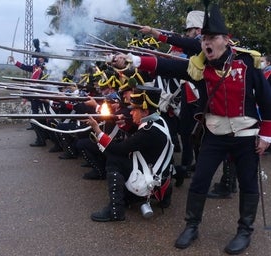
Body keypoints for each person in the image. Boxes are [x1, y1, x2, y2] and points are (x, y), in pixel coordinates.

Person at [110, 4, 271, 254]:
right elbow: (166, 66)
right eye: (204, 38)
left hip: (246, 135)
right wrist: (133, 60)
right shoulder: (199, 66)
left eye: (212, 38)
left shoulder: (248, 63)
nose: (206, 43)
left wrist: (266, 135)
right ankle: (192, 225)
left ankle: (245, 231)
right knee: (199, 181)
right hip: (215, 135)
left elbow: (266, 99)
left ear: (226, 41)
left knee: (249, 184)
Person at [85, 85, 174, 222]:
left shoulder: (148, 132)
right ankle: (164, 193)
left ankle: (116, 211)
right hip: (159, 176)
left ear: (144, 111)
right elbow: (138, 136)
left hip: (149, 180)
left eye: (134, 110)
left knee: (114, 159)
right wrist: (125, 121)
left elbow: (119, 148)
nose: (131, 113)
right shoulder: (158, 120)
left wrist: (98, 130)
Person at [140, 10, 205, 185]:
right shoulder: (196, 45)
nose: (188, 33)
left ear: (198, 30)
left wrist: (154, 32)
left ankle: (190, 167)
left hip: (199, 94)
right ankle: (192, 165)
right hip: (192, 92)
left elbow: (179, 41)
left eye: (190, 30)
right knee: (190, 133)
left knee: (193, 133)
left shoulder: (201, 44)